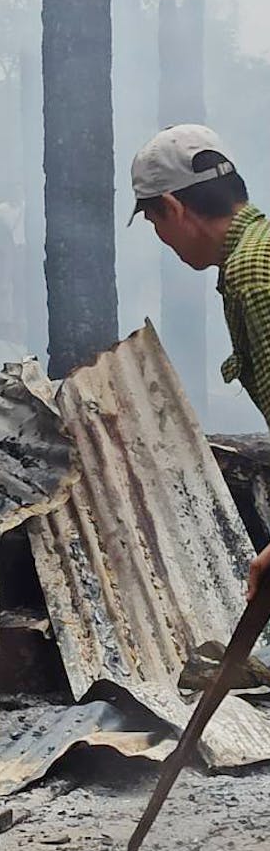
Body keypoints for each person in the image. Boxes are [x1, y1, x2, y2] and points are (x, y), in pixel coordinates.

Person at [130, 122, 270, 597]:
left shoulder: (252, 271)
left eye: (154, 223)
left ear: (173, 207)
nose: (161, 240)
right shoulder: (261, 248)